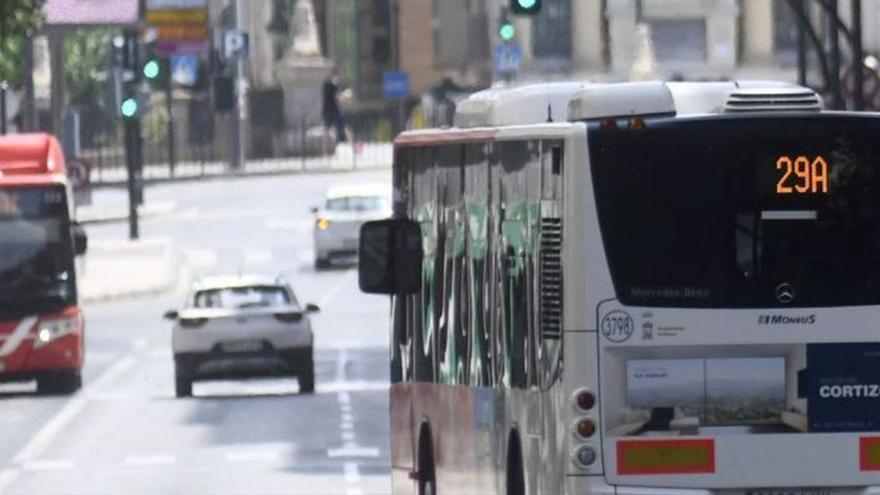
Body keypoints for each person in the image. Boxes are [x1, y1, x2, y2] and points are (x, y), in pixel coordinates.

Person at [322, 69, 352, 152]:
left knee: (327, 131)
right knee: (345, 128)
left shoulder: (325, 85)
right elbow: (338, 97)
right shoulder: (333, 85)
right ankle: (352, 146)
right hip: (334, 110)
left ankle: (325, 150)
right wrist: (346, 94)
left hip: (326, 110)